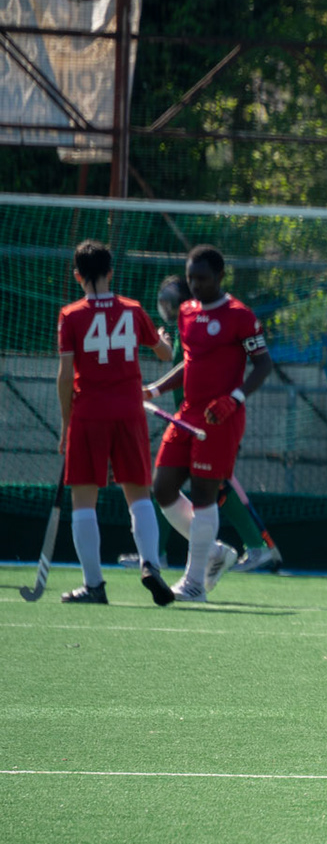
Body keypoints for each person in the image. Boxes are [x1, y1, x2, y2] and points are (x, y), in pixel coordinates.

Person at [142, 246, 273, 603]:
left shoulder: (240, 316)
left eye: (202, 278)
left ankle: (194, 583)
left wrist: (234, 398)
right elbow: (190, 362)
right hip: (187, 414)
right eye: (191, 279)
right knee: (162, 487)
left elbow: (263, 364)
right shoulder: (186, 312)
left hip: (220, 419)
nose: (196, 285)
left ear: (220, 277)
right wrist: (155, 389)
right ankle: (213, 552)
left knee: (204, 495)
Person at [54, 240, 174, 605]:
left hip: (89, 413)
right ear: (111, 273)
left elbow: (65, 375)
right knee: (139, 494)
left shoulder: (70, 315)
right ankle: (151, 564)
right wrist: (164, 340)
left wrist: (65, 423)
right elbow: (165, 354)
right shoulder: (133, 309)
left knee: (83, 500)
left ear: (77, 276)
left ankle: (94, 585)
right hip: (128, 412)